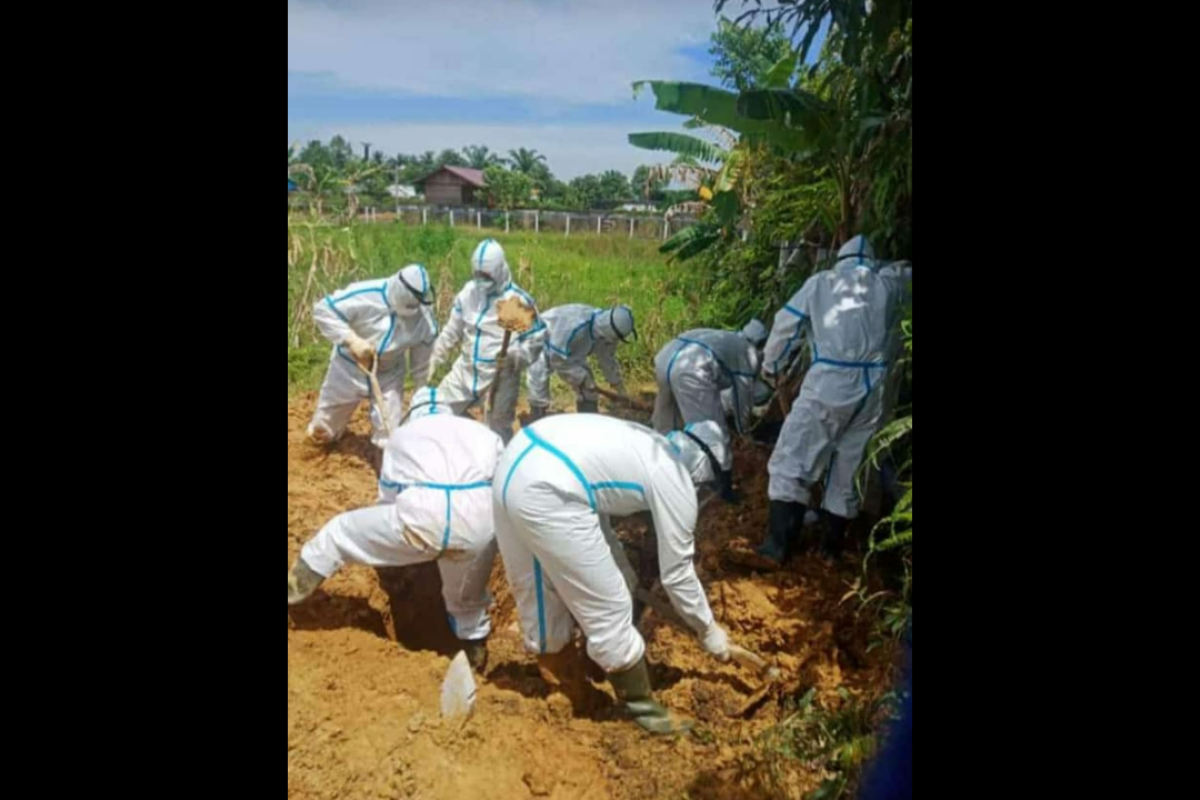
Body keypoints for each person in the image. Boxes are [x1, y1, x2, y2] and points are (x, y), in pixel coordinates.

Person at [492, 414, 734, 734]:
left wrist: (622, 569)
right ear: (705, 472)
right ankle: (644, 710)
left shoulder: (647, 445)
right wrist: (708, 630)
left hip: (515, 462)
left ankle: (565, 688)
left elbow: (592, 500)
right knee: (611, 605)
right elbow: (677, 574)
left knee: (535, 585)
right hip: (549, 487)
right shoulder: (676, 478)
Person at [288, 387, 503, 671]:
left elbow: (388, 498)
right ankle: (474, 658)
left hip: (419, 522)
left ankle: (294, 590)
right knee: (465, 601)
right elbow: (503, 488)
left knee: (339, 532)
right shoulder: (486, 435)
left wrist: (389, 542)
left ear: (414, 412)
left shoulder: (401, 436)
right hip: (479, 525)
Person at [757, 235, 911, 563]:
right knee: (848, 468)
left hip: (829, 383)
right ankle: (830, 550)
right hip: (874, 390)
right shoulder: (889, 285)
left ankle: (778, 546)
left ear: (838, 259)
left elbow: (786, 325)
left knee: (791, 460)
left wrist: (771, 366)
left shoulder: (822, 284)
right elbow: (904, 272)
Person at [427, 238, 545, 443]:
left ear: (499, 270)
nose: (481, 280)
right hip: (465, 372)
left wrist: (515, 357)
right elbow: (451, 331)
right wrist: (434, 357)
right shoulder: (469, 293)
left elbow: (535, 340)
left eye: (487, 276)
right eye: (478, 275)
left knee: (496, 434)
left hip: (499, 379)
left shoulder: (513, 302)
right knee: (436, 412)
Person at [307, 264, 437, 448]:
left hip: (388, 375)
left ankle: (385, 464)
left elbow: (422, 359)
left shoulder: (424, 319)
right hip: (348, 368)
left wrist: (420, 391)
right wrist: (352, 340)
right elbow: (323, 309)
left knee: (389, 438)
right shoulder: (366, 294)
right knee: (323, 432)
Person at [651, 320, 769, 500]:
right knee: (710, 431)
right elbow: (742, 397)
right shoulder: (748, 352)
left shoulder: (725, 337)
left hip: (664, 359)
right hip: (690, 372)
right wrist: (744, 430)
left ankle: (654, 466)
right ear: (760, 343)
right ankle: (722, 486)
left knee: (666, 421)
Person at [526, 304, 636, 419]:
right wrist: (582, 378)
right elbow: (558, 361)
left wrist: (619, 387)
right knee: (538, 385)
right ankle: (536, 419)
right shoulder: (575, 326)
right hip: (541, 341)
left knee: (589, 392)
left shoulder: (607, 333)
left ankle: (588, 421)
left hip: (570, 352)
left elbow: (607, 359)